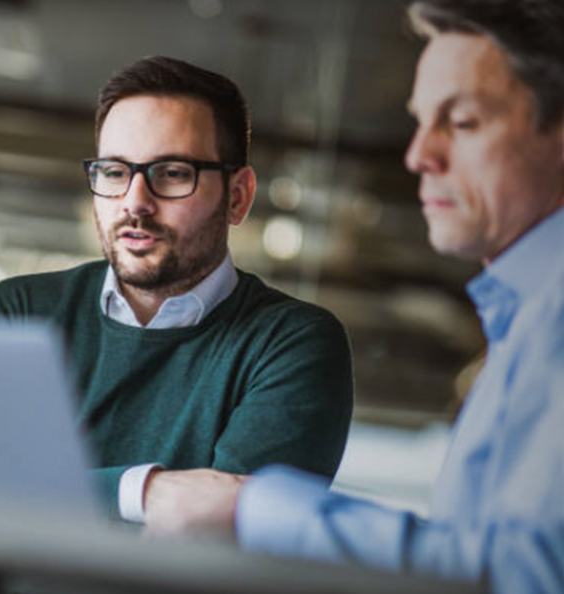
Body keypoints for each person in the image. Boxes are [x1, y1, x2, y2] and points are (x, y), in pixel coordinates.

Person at [145, 1, 564, 593]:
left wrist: (257, 509)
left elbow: (528, 578)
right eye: (421, 121)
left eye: (463, 122)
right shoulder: (521, 321)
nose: (420, 155)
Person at [0, 56, 354, 526]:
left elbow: (228, 534)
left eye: (172, 173)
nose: (135, 202)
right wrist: (149, 492)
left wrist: (47, 493)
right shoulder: (20, 312)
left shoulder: (291, 344)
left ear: (237, 197)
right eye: (114, 171)